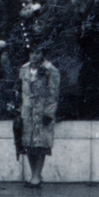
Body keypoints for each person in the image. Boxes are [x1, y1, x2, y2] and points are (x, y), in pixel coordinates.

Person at [18, 43, 60, 187]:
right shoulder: (24, 69)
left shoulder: (51, 70)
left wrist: (49, 112)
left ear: (43, 54)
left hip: (42, 111)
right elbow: (20, 91)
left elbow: (53, 94)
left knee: (41, 144)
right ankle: (33, 174)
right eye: (31, 53)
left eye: (37, 53)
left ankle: (37, 175)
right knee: (28, 144)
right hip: (27, 112)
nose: (33, 56)